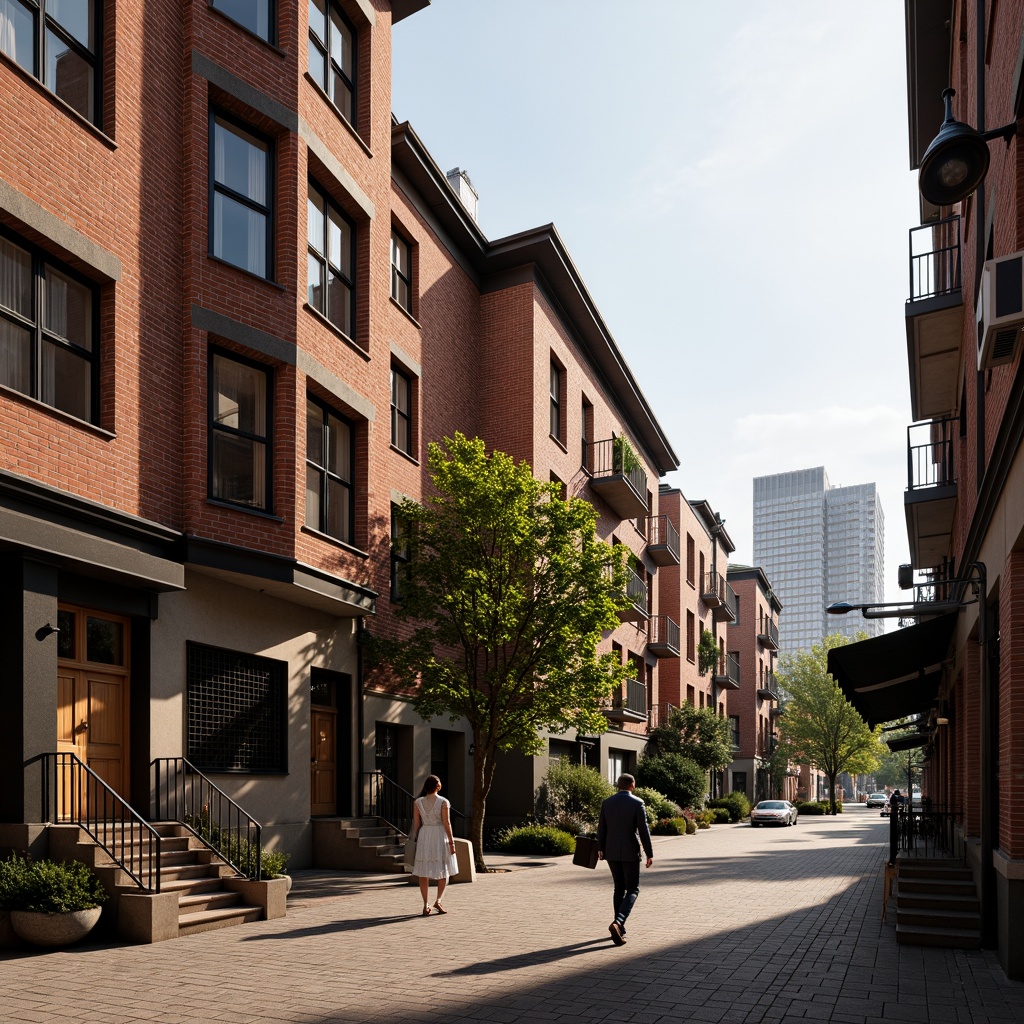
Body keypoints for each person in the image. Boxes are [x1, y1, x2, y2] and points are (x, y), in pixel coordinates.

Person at [597, 773, 654, 945]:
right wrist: (649, 853)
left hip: (611, 852)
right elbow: (643, 830)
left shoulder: (607, 803)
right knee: (633, 890)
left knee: (618, 888)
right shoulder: (638, 803)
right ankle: (618, 922)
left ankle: (619, 928)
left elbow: (601, 827)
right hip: (630, 852)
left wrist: (600, 848)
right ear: (632, 785)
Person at [410, 774, 458, 916]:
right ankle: (438, 900)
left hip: (425, 836)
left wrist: (414, 840)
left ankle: (425, 904)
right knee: (443, 869)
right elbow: (446, 823)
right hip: (438, 835)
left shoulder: (418, 802)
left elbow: (416, 824)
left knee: (423, 871)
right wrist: (451, 841)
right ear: (438, 786)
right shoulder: (443, 802)